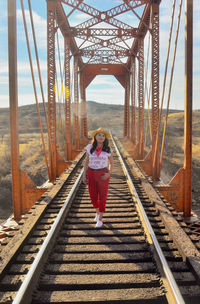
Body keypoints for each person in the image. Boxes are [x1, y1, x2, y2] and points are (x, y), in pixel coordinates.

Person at [83, 128, 113, 228]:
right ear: (95, 137)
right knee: (93, 196)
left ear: (105, 138)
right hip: (91, 173)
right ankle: (97, 212)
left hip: (103, 174)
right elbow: (86, 162)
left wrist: (109, 174)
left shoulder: (108, 149)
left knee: (102, 196)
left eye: (103, 135)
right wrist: (84, 175)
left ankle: (100, 219)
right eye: (99, 135)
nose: (101, 137)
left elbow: (112, 164)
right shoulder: (89, 148)